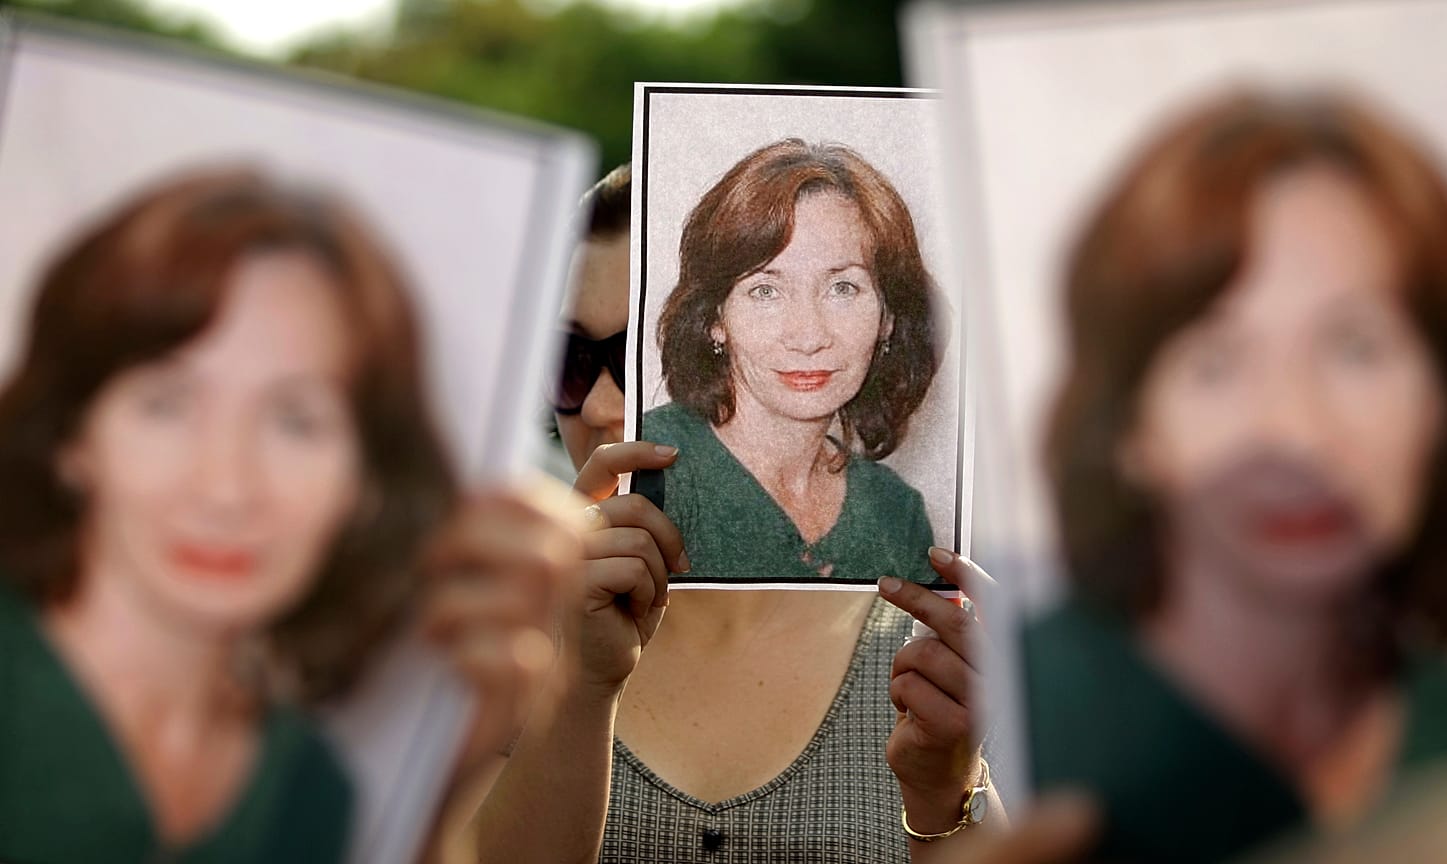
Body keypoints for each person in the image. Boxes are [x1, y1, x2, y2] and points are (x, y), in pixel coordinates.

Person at [0, 169, 581, 864]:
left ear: (365, 480)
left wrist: (436, 799)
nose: (226, 487)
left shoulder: (312, 789)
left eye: (295, 421)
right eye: (166, 404)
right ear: (72, 437)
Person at [1024, 89, 1447, 863]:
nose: (1296, 433)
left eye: (1356, 348)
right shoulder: (987, 733)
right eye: (1216, 363)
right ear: (1130, 429)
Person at [472, 165, 1001, 863]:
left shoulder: (921, 586)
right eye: (570, 359)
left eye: (634, 359)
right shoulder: (490, 626)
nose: (602, 407)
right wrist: (575, 687)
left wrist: (948, 791)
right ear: (714, 323)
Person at [643, 139, 948, 584]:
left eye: (843, 288)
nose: (808, 336)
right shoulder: (652, 468)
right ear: (714, 318)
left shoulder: (896, 512)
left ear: (888, 319)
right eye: (766, 290)